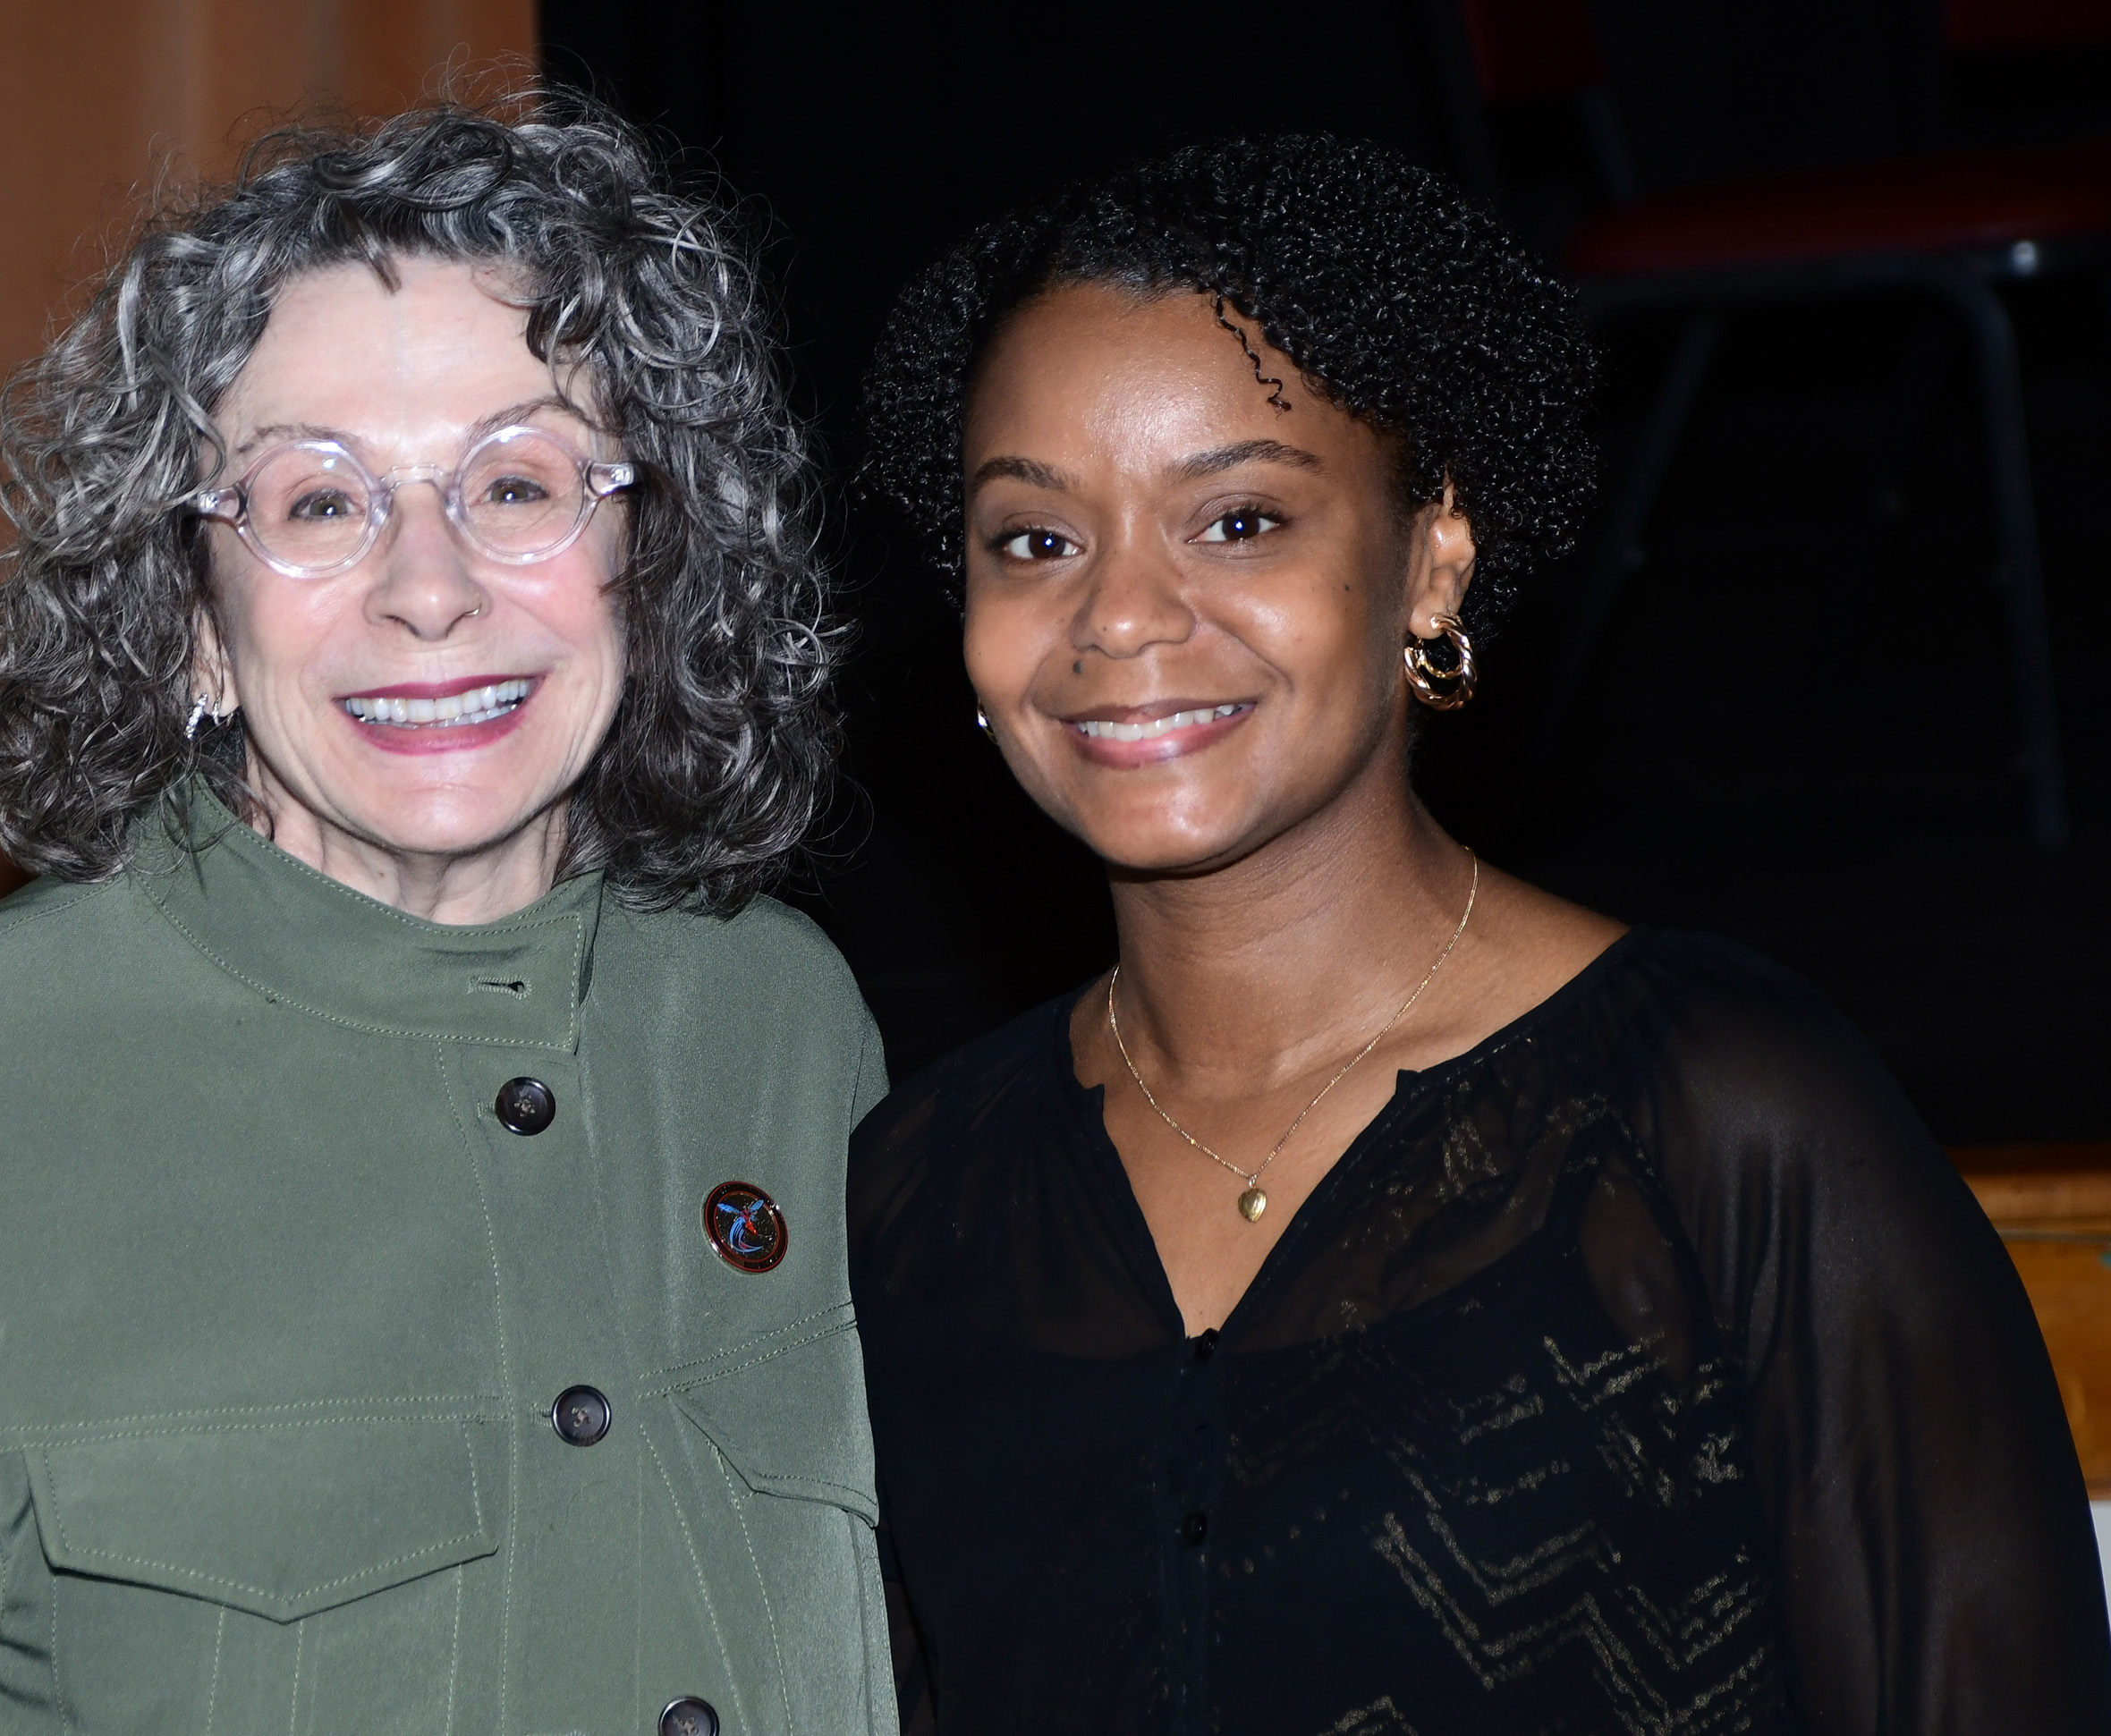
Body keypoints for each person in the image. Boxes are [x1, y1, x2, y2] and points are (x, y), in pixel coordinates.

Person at [0, 101, 894, 1736]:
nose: (430, 585)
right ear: (192, 618)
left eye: (518, 481)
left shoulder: (783, 1027)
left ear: (650, 553)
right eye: (319, 502)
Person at [849, 134, 2111, 1734]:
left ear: (1430, 557)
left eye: (1238, 520)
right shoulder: (918, 1197)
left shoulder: (1715, 1120)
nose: (1120, 617)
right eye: (1035, 537)